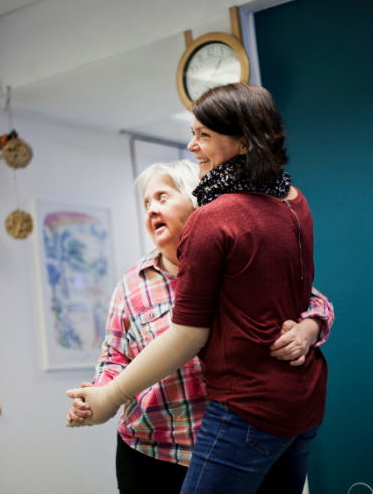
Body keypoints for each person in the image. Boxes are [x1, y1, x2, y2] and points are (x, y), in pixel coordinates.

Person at [67, 153, 333, 492]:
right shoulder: (131, 285)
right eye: (146, 202)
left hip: (233, 444)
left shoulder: (237, 262)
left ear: (196, 200)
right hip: (151, 449)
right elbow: (115, 356)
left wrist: (308, 329)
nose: (150, 209)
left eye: (162, 197)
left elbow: (314, 301)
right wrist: (98, 392)